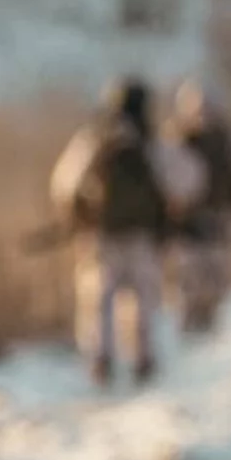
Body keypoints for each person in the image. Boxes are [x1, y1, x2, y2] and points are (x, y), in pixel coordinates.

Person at [50, 76, 204, 386]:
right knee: (145, 301)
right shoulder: (155, 145)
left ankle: (100, 361)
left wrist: (78, 216)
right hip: (144, 238)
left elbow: (64, 183)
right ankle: (142, 359)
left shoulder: (94, 140)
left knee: (98, 301)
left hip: (100, 237)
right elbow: (189, 181)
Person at [164, 79, 231, 335]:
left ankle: (198, 326)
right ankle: (200, 326)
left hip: (203, 221)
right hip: (216, 220)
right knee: (207, 279)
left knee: (197, 279)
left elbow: (168, 179)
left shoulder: (178, 140)